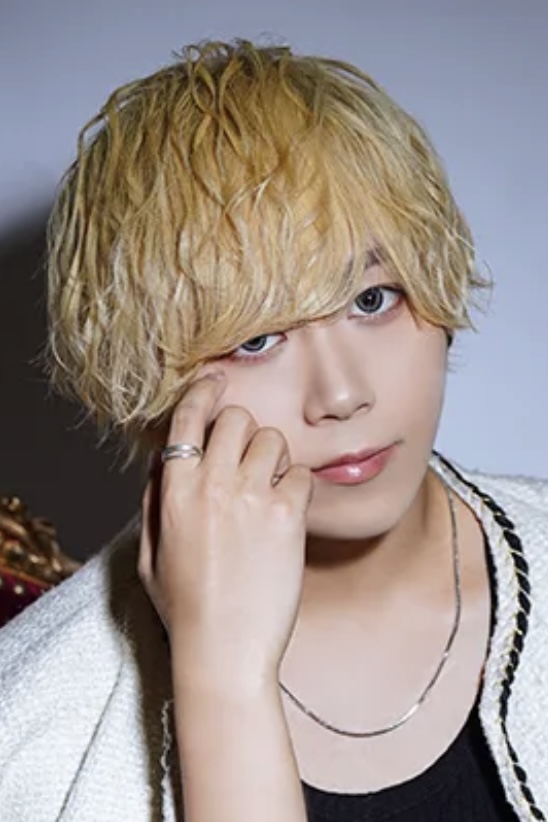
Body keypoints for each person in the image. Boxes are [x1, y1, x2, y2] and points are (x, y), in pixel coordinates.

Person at [0, 39, 546, 822]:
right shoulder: (27, 735)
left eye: (372, 300)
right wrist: (222, 678)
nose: (342, 395)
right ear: (145, 381)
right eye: (256, 340)